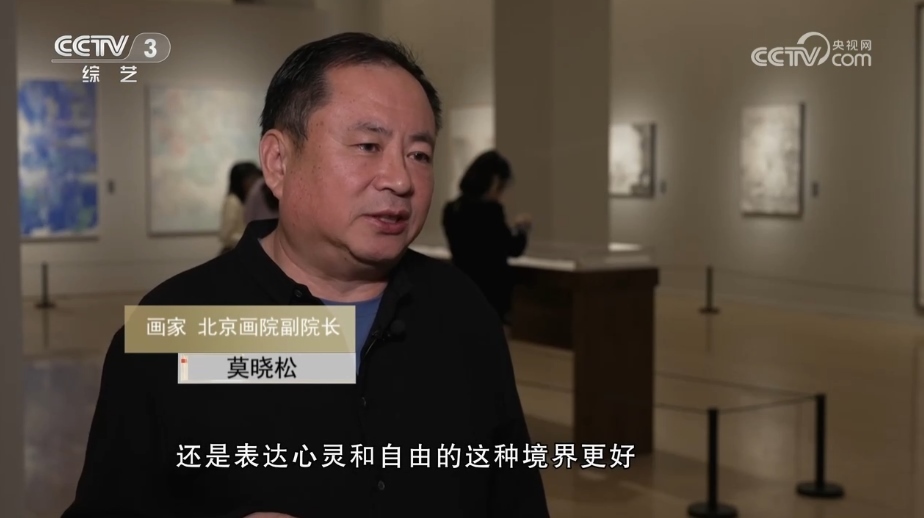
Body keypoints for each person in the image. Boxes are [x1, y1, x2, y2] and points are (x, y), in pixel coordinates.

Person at [62, 32, 549, 518]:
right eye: (368, 145)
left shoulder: (461, 311)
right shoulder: (174, 326)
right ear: (278, 162)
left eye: (419, 154)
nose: (401, 179)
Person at [441, 150, 532, 324]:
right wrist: (522, 230)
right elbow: (513, 248)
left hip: (462, 289)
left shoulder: (452, 209)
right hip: (492, 293)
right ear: (494, 181)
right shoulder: (490, 212)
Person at [218, 162, 261, 254]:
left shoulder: (247, 201)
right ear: (241, 181)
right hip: (233, 252)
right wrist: (252, 239)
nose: (255, 184)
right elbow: (226, 236)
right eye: (252, 180)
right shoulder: (233, 201)